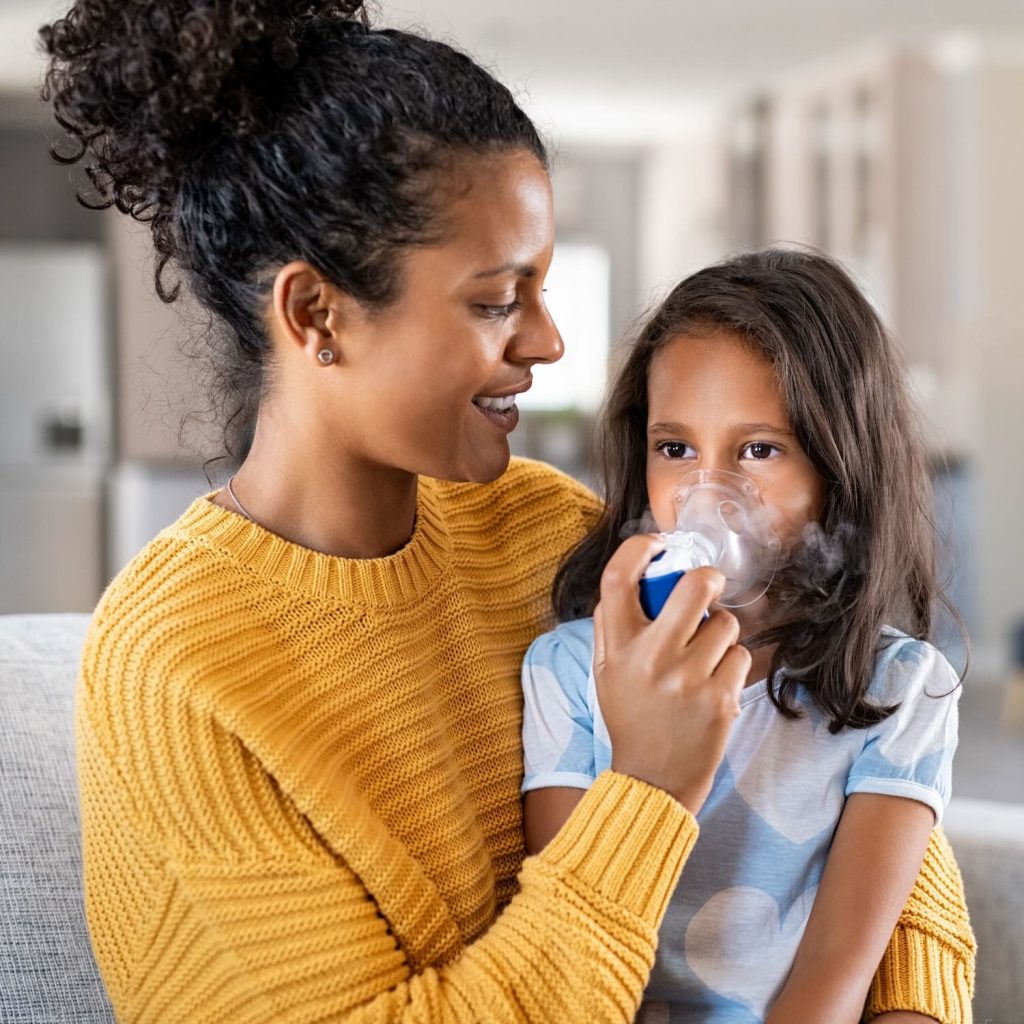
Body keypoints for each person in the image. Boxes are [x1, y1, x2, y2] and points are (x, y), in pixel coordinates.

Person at [39, 0, 973, 1019]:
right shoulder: (176, 663)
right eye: (497, 298)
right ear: (318, 314)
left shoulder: (538, 529)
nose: (549, 342)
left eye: (543, 284)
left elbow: (836, 750)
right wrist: (648, 791)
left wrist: (905, 1000)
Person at [521, 248, 975, 1023]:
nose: (707, 491)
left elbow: (836, 972)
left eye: (759, 450)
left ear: (839, 467)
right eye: (676, 449)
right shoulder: (572, 669)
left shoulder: (901, 692)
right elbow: (570, 947)